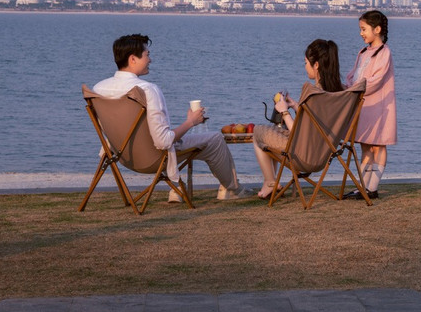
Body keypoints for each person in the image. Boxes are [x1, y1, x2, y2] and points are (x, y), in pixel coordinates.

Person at [93, 34, 249, 202]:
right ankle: (233, 189)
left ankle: (177, 190)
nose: (150, 60)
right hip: (153, 159)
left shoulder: (99, 89)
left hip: (123, 157)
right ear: (133, 59)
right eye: (147, 55)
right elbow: (163, 142)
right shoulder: (147, 90)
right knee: (215, 140)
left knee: (176, 138)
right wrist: (191, 122)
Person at [252, 38, 344, 200]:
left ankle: (270, 182)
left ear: (316, 65)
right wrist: (295, 105)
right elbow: (315, 123)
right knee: (271, 132)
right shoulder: (338, 93)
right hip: (323, 155)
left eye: (306, 62)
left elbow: (298, 133)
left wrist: (284, 111)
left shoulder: (312, 93)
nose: (305, 66)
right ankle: (271, 182)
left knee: (258, 132)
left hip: (303, 156)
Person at [343, 10, 396, 199]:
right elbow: (353, 75)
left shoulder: (384, 52)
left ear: (377, 29)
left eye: (364, 29)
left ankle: (372, 188)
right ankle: (363, 186)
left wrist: (355, 88)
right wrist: (346, 87)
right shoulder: (363, 52)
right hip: (363, 105)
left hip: (380, 106)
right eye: (360, 29)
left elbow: (376, 80)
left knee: (378, 145)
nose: (361, 33)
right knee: (365, 145)